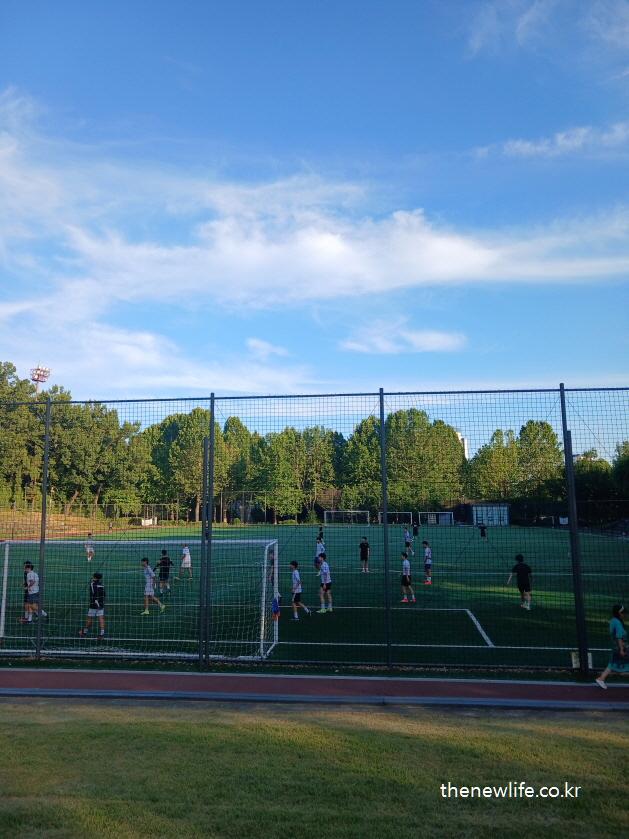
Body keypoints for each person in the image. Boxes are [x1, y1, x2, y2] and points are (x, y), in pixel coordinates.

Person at [595, 605, 629, 689]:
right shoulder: (618, 623)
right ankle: (601, 679)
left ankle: (601, 679)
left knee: (612, 664)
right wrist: (621, 649)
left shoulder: (614, 621)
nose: (624, 614)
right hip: (621, 646)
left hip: (617, 646)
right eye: (623, 613)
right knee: (612, 664)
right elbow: (618, 637)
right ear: (619, 613)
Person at [78, 572, 106, 639]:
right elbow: (103, 595)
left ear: (95, 578)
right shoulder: (101, 585)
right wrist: (100, 603)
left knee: (89, 618)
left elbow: (94, 595)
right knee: (101, 618)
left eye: (93, 577)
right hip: (101, 604)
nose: (92, 578)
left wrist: (96, 603)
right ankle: (101, 634)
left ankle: (84, 633)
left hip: (94, 604)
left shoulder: (92, 585)